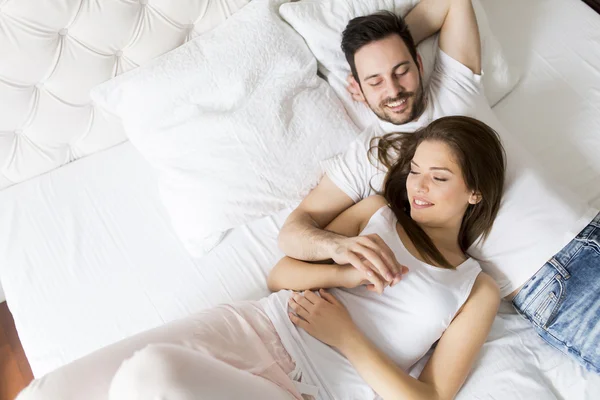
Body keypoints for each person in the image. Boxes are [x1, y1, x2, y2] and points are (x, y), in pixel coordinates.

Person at [16, 116, 506, 400]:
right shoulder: (377, 212)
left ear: (474, 195)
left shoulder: (474, 288)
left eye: (438, 178)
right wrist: (343, 269)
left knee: (152, 375)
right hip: (252, 328)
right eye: (415, 170)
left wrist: (347, 338)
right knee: (51, 391)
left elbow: (433, 397)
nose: (417, 188)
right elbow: (280, 275)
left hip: (319, 387)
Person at [278, 0, 600, 373]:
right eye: (375, 80)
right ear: (356, 87)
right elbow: (292, 233)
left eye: (401, 70)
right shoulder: (365, 157)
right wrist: (339, 246)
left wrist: (389, 46)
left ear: (418, 62)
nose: (394, 90)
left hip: (590, 221)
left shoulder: (455, 87)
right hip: (552, 279)